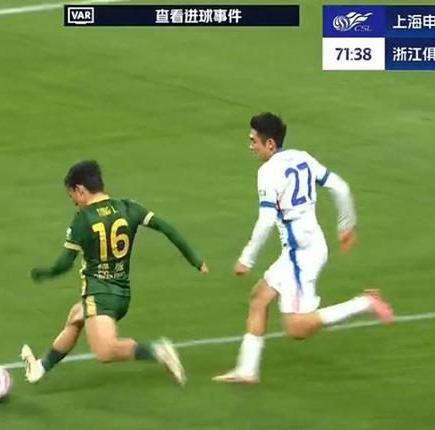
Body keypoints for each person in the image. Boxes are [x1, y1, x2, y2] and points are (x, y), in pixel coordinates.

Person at [213, 113, 393, 384]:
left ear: (270, 144)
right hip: (304, 247)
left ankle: (365, 303)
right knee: (259, 297)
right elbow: (340, 188)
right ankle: (247, 370)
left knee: (296, 328)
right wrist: (346, 225)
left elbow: (266, 220)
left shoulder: (267, 173)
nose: (250, 146)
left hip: (302, 255)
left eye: (253, 141)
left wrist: (246, 258)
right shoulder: (302, 158)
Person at [21, 160, 208, 386]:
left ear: (80, 189)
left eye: (73, 197)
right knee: (75, 318)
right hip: (121, 294)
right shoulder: (128, 207)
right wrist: (196, 260)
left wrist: (44, 273)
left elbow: (64, 264)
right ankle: (40, 368)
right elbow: (166, 228)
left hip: (98, 295)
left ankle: (157, 351)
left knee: (105, 351)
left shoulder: (83, 219)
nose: (75, 203)